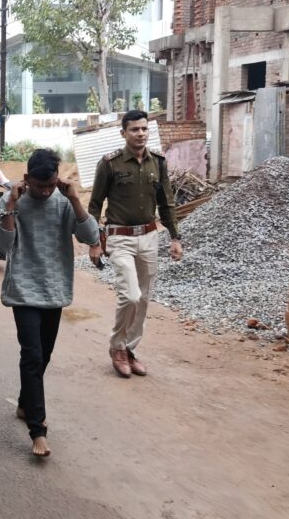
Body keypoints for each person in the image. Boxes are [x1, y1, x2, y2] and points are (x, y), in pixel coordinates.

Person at [0, 149, 100, 458]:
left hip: (54, 290)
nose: (44, 192)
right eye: (39, 185)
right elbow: (2, 246)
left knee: (43, 355)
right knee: (32, 355)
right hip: (23, 290)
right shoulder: (12, 201)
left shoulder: (64, 202)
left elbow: (91, 236)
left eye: (51, 185)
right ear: (26, 178)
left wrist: (75, 199)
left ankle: (25, 402)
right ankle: (38, 430)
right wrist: (10, 206)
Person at [87, 109, 183, 378]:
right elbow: (94, 205)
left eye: (144, 129)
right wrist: (94, 241)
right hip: (120, 238)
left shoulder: (158, 163)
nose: (140, 134)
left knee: (143, 299)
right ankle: (117, 347)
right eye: (134, 129)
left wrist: (175, 237)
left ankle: (129, 349)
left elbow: (166, 203)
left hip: (150, 237)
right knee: (130, 295)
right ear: (123, 133)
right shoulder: (110, 164)